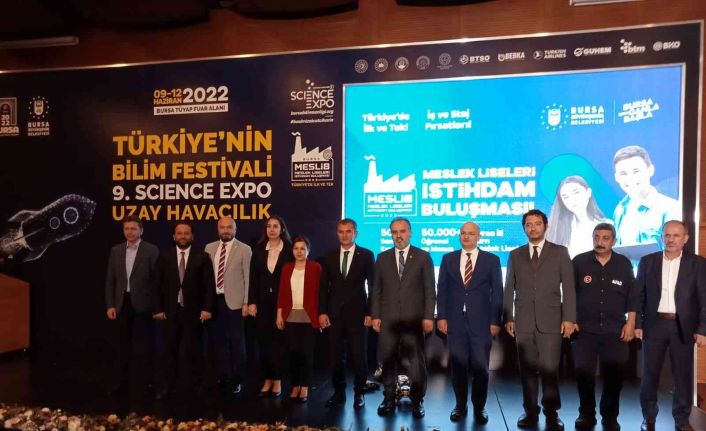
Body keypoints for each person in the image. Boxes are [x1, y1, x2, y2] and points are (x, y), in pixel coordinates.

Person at [504, 209, 576, 431]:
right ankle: (530, 412)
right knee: (527, 370)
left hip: (552, 321)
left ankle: (552, 414)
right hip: (523, 322)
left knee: (549, 370)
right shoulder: (515, 255)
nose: (532, 227)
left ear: (545, 226)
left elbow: (569, 288)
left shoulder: (560, 252)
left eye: (537, 223)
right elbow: (509, 288)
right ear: (524, 228)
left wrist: (569, 318)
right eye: (528, 224)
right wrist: (508, 317)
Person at [635, 220, 706, 431]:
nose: (671, 239)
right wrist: (638, 324)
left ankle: (682, 419)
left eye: (676, 235)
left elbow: (704, 298)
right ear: (661, 238)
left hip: (683, 327)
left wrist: (702, 329)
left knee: (683, 376)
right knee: (649, 375)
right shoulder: (648, 261)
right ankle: (648, 418)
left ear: (685, 239)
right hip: (654, 325)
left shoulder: (698, 263)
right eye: (667, 235)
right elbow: (639, 296)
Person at [571, 223, 637, 431]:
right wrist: (570, 319)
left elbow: (633, 296)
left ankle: (609, 417)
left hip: (615, 330)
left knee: (614, 377)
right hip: (584, 330)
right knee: (584, 374)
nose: (600, 242)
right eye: (596, 237)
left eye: (605, 238)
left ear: (614, 241)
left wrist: (631, 323)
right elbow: (569, 293)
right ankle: (586, 415)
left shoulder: (623, 263)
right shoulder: (579, 261)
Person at [436, 221, 503, 424]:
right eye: (463, 233)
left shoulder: (492, 260)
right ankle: (460, 405)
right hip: (455, 322)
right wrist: (442, 316)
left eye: (471, 233)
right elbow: (442, 290)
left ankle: (479, 408)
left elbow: (497, 292)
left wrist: (495, 320)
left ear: (479, 237)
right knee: (458, 367)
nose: (466, 236)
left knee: (481, 368)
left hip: (482, 323)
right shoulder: (448, 258)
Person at [371, 217, 435, 419]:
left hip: (413, 320)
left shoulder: (423, 257)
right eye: (394, 232)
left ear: (410, 233)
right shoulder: (382, 258)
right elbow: (376, 290)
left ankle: (417, 401)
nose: (398, 235)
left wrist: (428, 316)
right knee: (387, 361)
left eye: (402, 231)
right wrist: (375, 315)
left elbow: (429, 290)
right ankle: (389, 398)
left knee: (416, 364)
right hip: (388, 320)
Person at [152, 222, 215, 398]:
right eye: (179, 233)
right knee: (169, 350)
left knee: (194, 350)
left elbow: (209, 286)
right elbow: (156, 285)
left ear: (192, 236)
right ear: (174, 236)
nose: (183, 236)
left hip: (194, 312)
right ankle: (167, 386)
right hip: (169, 311)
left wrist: (207, 308)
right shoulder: (164, 256)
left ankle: (195, 386)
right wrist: (157, 308)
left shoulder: (202, 256)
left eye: (186, 233)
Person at [319, 218, 374, 410]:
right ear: (337, 233)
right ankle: (339, 392)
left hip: (358, 315)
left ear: (355, 233)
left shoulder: (366, 255)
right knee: (336, 356)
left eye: (348, 231)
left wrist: (370, 312)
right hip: (334, 314)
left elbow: (373, 286)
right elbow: (323, 287)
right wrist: (322, 312)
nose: (344, 235)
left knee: (359, 356)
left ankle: (359, 392)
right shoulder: (329, 255)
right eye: (341, 231)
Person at [104, 215, 159, 395]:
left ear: (141, 230)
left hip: (144, 304)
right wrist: (110, 305)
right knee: (122, 346)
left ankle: (147, 383)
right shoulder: (116, 250)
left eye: (133, 228)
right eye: (127, 228)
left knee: (145, 345)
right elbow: (110, 280)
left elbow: (157, 281)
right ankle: (121, 382)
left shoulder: (151, 250)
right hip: (122, 304)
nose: (130, 232)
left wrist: (156, 306)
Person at [204, 216, 251, 395]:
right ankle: (223, 377)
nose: (225, 230)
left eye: (229, 227)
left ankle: (237, 380)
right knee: (218, 342)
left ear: (235, 229)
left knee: (237, 343)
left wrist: (246, 302)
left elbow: (248, 278)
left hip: (236, 303)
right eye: (222, 227)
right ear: (218, 229)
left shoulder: (245, 249)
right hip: (214, 302)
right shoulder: (209, 248)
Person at [248, 215, 293, 398]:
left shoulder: (290, 249)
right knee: (264, 342)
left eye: (276, 226)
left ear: (282, 229)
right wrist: (252, 301)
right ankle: (268, 378)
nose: (272, 229)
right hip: (262, 303)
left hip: (282, 303)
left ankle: (278, 380)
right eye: (269, 226)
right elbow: (253, 278)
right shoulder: (259, 249)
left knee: (279, 343)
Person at [276, 236, 322, 403]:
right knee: (293, 353)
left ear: (308, 250)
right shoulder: (287, 267)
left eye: (303, 248)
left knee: (307, 353)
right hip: (290, 316)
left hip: (309, 316)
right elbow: (282, 292)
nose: (299, 251)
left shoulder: (315, 267)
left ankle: (305, 386)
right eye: (296, 248)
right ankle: (295, 385)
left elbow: (320, 293)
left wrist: (320, 315)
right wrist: (279, 314)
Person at [612, 145, 680, 247]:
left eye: (636, 171)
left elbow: (675, 251)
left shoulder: (671, 208)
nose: (630, 178)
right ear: (616, 178)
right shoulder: (619, 210)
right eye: (623, 173)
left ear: (650, 170)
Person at [546, 175, 610, 258]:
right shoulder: (558, 229)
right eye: (566, 197)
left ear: (588, 192)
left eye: (576, 192)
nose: (572, 199)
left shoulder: (608, 225)